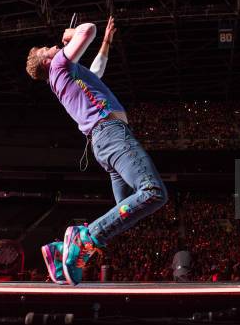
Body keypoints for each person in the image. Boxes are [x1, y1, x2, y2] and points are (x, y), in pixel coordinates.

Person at [26, 17, 168, 285]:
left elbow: (96, 70)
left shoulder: (68, 76)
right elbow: (87, 29)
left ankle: (60, 251)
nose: (54, 46)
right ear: (46, 62)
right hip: (111, 134)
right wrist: (71, 33)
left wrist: (105, 42)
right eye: (48, 48)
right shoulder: (59, 64)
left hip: (102, 144)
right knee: (153, 192)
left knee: (125, 210)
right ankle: (85, 238)